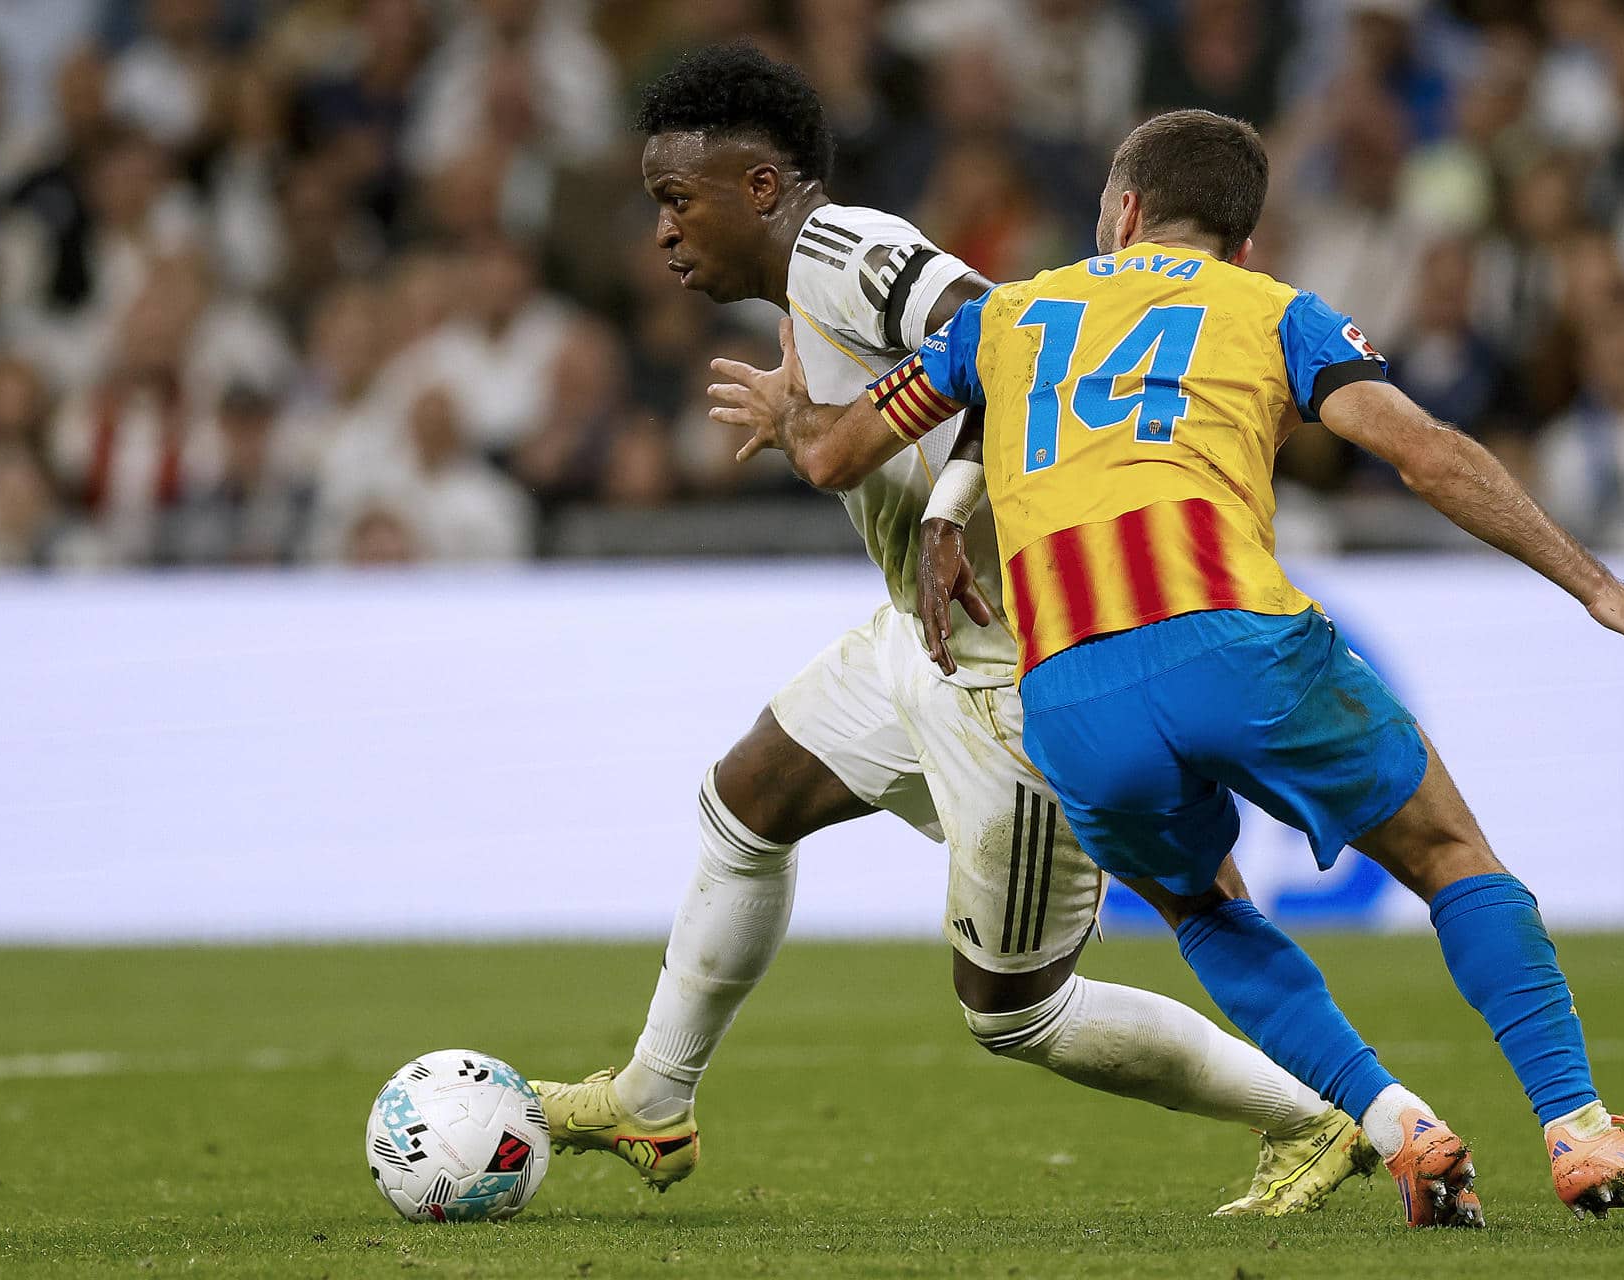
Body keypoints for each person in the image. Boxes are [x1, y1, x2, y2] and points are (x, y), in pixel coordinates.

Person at [710, 108, 1624, 1229]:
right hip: (1236, 640)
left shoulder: (1008, 316)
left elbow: (836, 452)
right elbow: (1420, 449)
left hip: (1072, 695)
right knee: (1447, 851)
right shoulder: (1273, 308)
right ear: (1244, 241)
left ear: (1125, 209)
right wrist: (1597, 586)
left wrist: (794, 410)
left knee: (1204, 909)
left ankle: (1400, 1126)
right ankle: (1580, 1131)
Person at [526, 46, 1374, 1219]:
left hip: (1015, 669)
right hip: (925, 642)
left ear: (762, 188)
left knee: (1013, 1010)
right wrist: (814, 422)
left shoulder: (849, 253)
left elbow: (1012, 340)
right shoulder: (807, 290)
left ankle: (1317, 1113)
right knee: (745, 800)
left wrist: (944, 507)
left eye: (678, 199)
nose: (664, 232)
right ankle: (653, 1098)